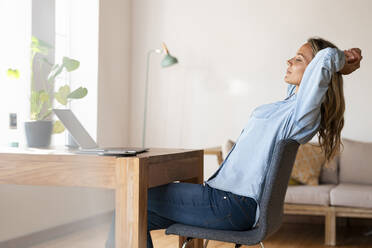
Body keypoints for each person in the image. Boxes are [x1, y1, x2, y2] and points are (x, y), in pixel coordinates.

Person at [105, 37, 362, 248]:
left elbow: (325, 60)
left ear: (319, 74)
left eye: (299, 59)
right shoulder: (288, 107)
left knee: (130, 198)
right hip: (226, 201)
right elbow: (314, 74)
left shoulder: (302, 116)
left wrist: (340, 63)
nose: (289, 61)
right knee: (134, 213)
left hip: (231, 204)